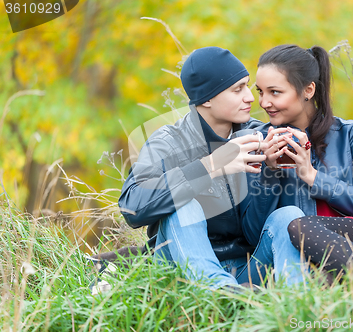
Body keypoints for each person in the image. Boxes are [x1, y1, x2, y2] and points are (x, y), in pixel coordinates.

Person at [119, 47, 308, 290]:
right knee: (183, 204)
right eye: (237, 89)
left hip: (248, 269)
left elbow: (256, 231)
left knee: (289, 216)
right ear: (207, 98)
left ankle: (297, 302)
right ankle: (220, 294)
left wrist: (271, 173)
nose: (250, 98)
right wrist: (211, 166)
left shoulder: (259, 136)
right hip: (181, 271)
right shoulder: (167, 142)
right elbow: (132, 207)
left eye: (247, 87)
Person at [254, 44, 353, 284]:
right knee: (292, 230)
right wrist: (268, 172)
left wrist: (312, 177)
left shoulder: (350, 133)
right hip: (307, 263)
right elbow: (255, 234)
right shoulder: (261, 142)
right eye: (260, 92)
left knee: (299, 226)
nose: (264, 102)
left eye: (275, 92)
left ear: (308, 90)